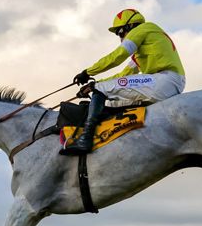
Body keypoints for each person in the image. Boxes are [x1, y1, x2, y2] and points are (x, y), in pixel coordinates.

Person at [62, 8, 186, 155]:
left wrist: (88, 72)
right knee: (111, 100)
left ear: (130, 26)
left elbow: (117, 56)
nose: (120, 37)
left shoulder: (142, 29)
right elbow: (124, 74)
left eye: (120, 33)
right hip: (166, 82)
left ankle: (85, 139)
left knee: (101, 89)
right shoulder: (146, 45)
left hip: (164, 80)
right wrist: (93, 84)